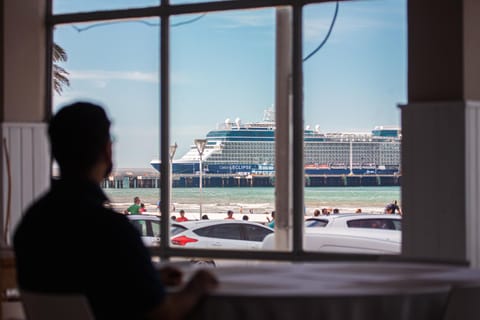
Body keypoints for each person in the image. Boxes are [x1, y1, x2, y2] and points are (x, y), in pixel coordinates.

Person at [13, 101, 217, 320]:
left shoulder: (31, 223)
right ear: (107, 150)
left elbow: (79, 278)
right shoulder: (111, 230)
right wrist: (197, 285)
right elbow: (161, 314)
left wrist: (148, 277)